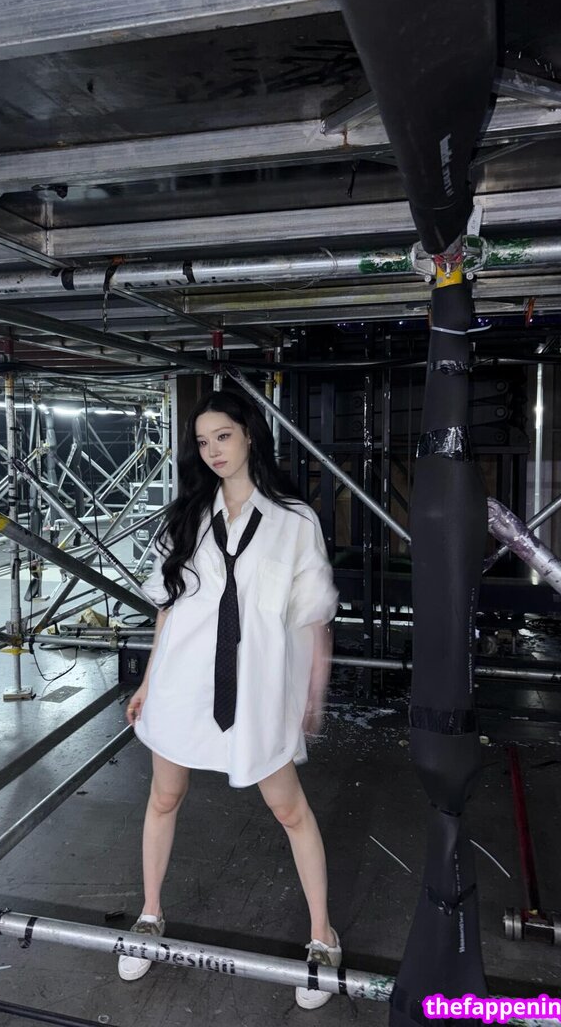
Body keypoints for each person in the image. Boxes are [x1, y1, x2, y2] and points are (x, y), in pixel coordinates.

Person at [118, 386, 340, 1010]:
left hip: (257, 688)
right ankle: (150, 915)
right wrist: (149, 680)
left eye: (223, 436)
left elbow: (313, 614)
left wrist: (311, 692)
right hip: (184, 681)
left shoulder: (294, 521)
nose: (213, 450)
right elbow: (170, 608)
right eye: (203, 441)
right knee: (164, 796)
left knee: (289, 810)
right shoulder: (188, 516)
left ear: (248, 436)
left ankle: (323, 936)